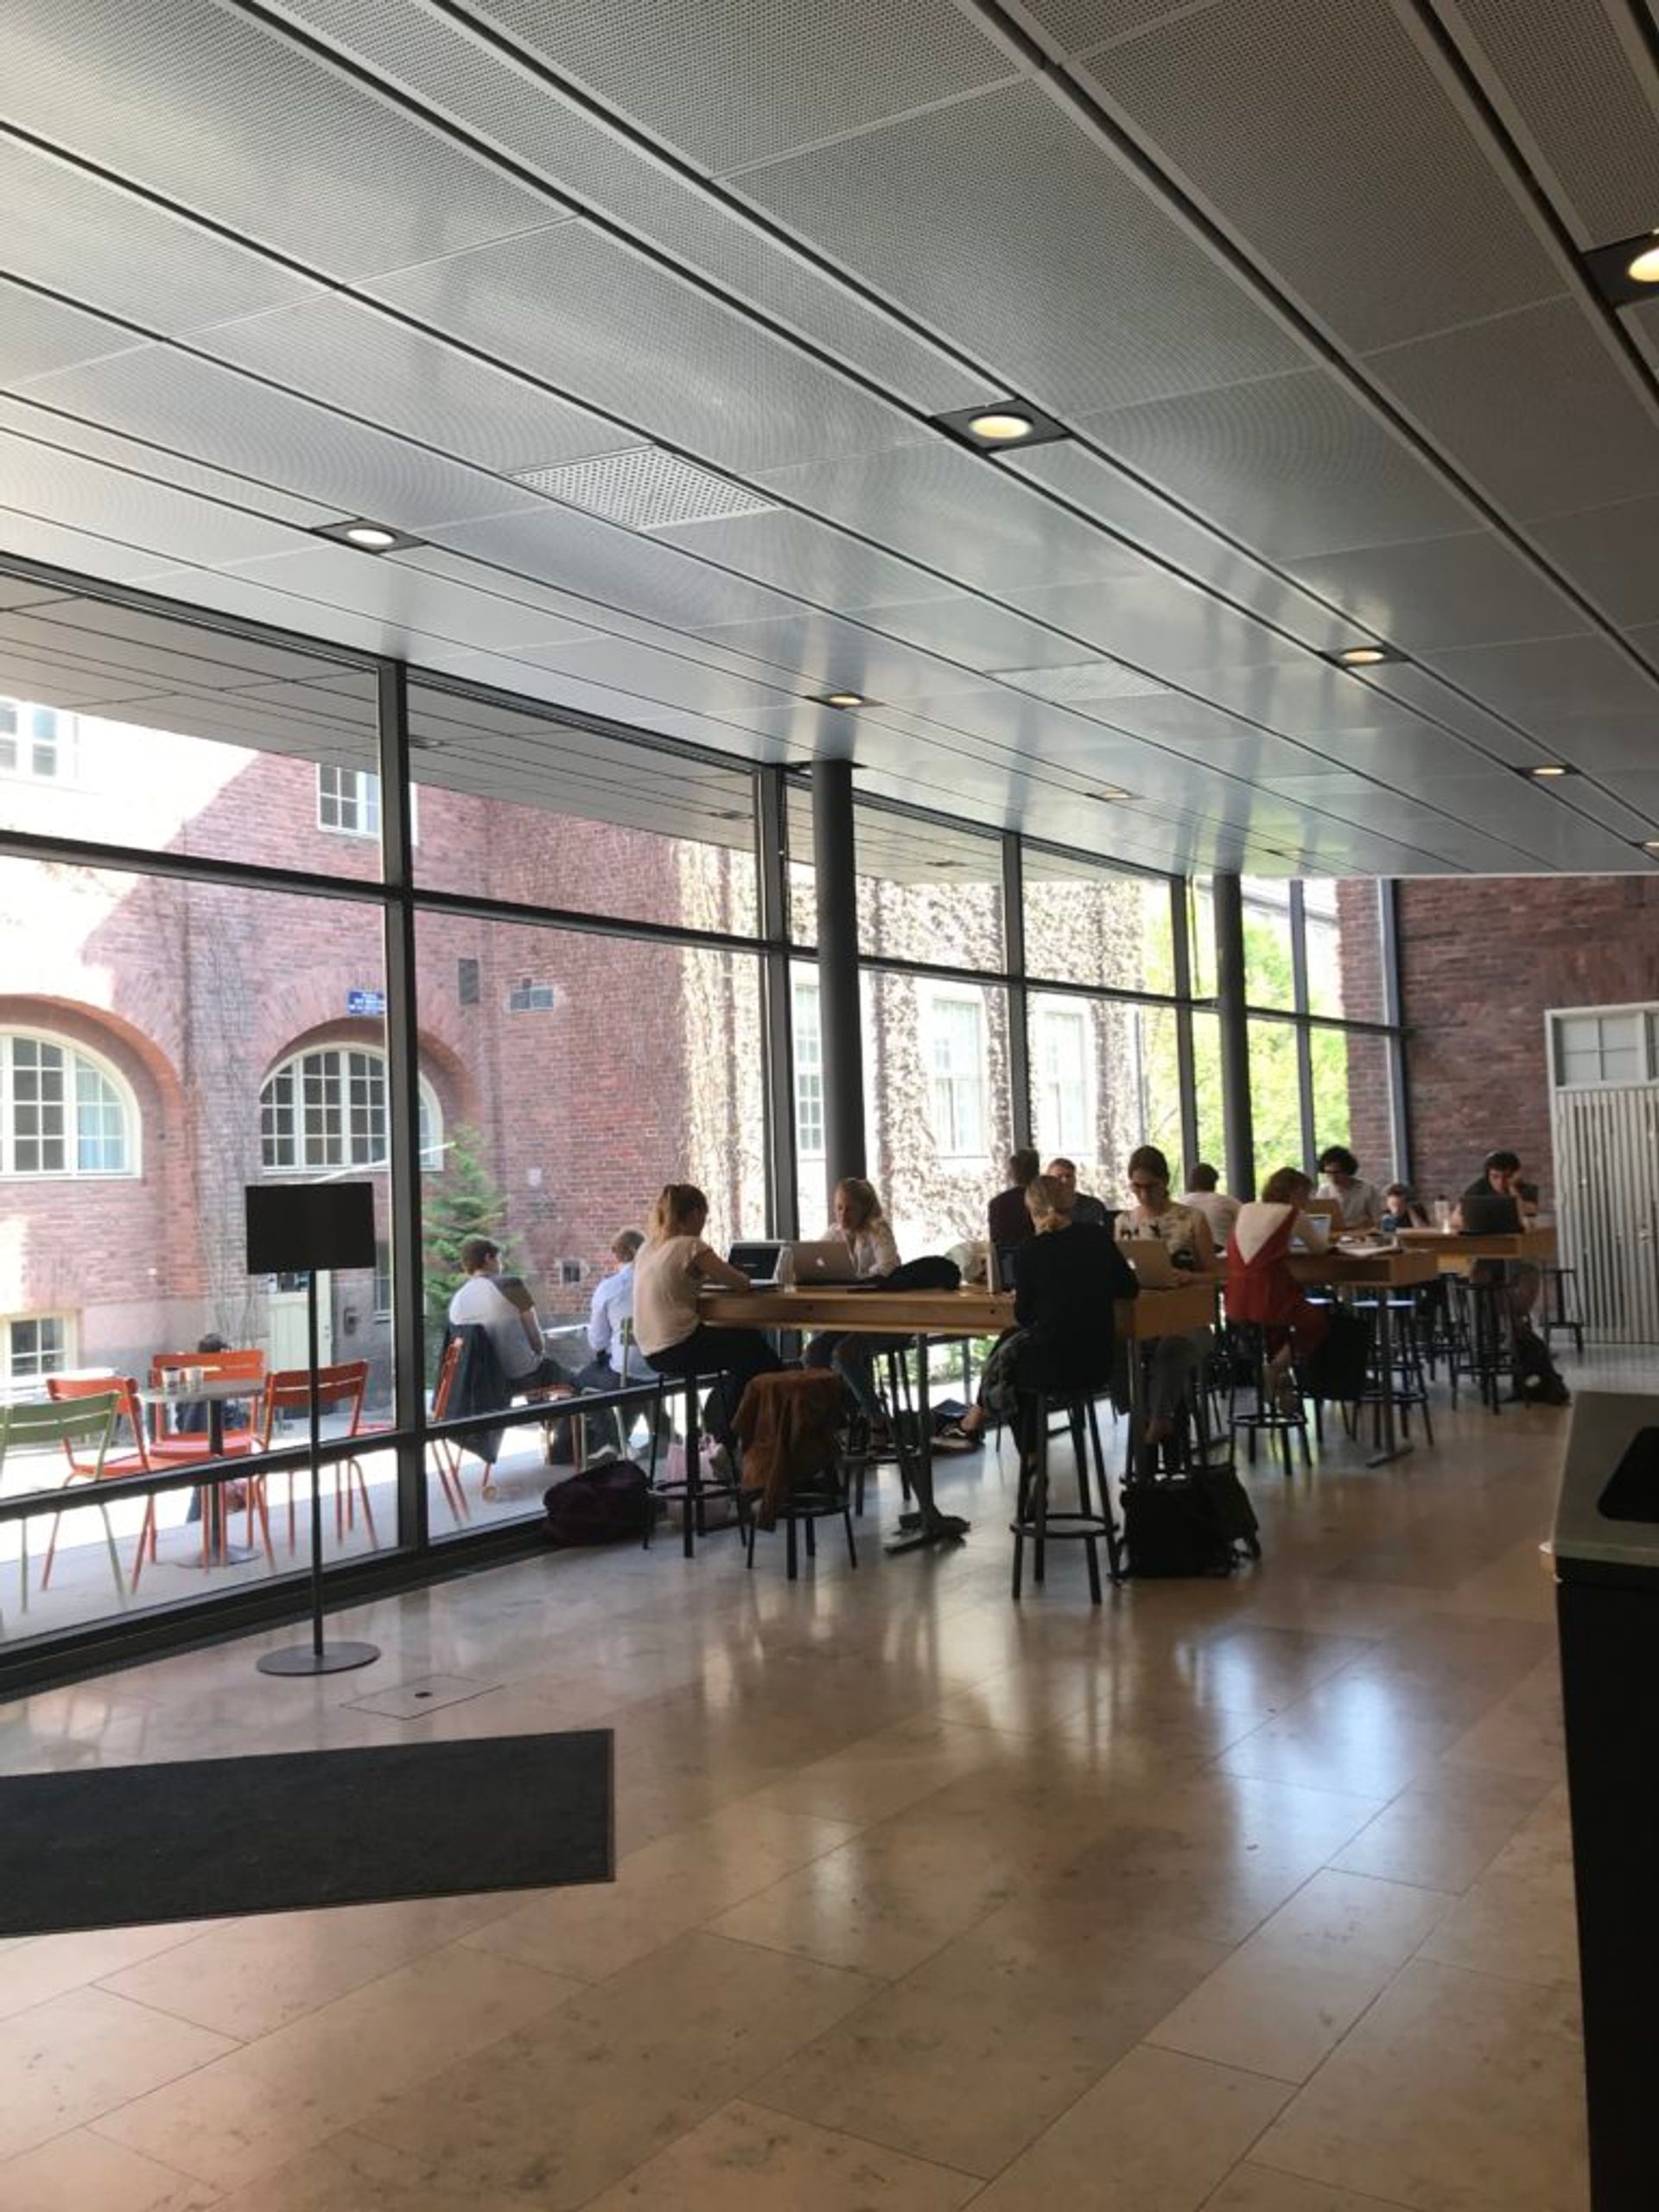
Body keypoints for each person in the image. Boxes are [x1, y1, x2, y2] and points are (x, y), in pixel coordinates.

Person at [632, 1182, 782, 1445]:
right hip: (680, 1346)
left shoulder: (648, 1248)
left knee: (744, 1354)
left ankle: (728, 1437)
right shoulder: (691, 1246)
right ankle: (735, 1439)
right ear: (694, 1214)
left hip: (651, 1353)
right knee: (754, 1348)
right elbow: (740, 1283)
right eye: (704, 1215)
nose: (704, 1222)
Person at [1003, 1174, 1139, 1464]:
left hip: (1053, 1366)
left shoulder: (1027, 1251)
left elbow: (1024, 1316)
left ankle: (1030, 1455)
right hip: (1098, 1363)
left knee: (1008, 1366)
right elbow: (1129, 1288)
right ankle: (985, 1428)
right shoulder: (1097, 1237)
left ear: (1031, 1211)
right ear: (1071, 1203)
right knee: (1010, 1349)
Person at [1116, 1145, 1216, 1465]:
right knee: (1126, 1351)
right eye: (1136, 1187)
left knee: (1171, 1347)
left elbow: (1215, 1275)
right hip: (1143, 1320)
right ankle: (1155, 1424)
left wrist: (1188, 1277)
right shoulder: (1123, 1222)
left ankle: (1156, 1421)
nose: (1143, 1194)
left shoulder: (1191, 1219)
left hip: (1189, 1320)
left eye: (1150, 1187)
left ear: (1165, 1182)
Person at [1452, 1152, 1567, 1404]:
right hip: (1487, 1266)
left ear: (1516, 1174)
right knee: (1502, 1323)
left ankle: (1535, 1377)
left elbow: (1529, 1212)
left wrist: (1512, 1190)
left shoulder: (1525, 1189)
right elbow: (1456, 1218)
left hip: (1521, 1266)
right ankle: (1532, 1377)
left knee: (1513, 1323)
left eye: (1506, 1176)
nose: (1499, 1182)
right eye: (1495, 1176)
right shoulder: (1478, 1188)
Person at [1226, 1167, 1332, 1411]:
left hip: (1237, 1297)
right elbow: (1319, 1249)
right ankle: (1276, 1368)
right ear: (1296, 1192)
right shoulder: (1293, 1214)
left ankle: (1283, 1383)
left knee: (1278, 1325)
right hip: (1268, 1294)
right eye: (1307, 1195)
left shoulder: (1247, 1209)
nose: (1309, 1202)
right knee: (1317, 1321)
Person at [804, 1176, 902, 1428]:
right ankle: (833, 1419)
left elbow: (889, 1267)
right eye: (838, 1207)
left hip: (884, 1318)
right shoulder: (833, 1233)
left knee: (844, 1352)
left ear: (865, 1208)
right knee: (813, 1352)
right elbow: (814, 1261)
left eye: (849, 1208)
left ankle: (875, 1417)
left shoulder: (878, 1228)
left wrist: (855, 1279)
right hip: (850, 1319)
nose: (842, 1214)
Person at [448, 1237, 577, 1395]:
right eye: (500, 1259)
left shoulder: (457, 1299)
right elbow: (535, 1337)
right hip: (518, 1377)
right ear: (489, 1258)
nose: (502, 1266)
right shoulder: (511, 1284)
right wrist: (539, 1354)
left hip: (481, 1385)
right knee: (574, 1382)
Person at [576, 1229, 655, 1391]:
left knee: (579, 1382)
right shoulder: (661, 1283)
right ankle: (655, 1414)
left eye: (614, 1251)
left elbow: (598, 1342)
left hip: (626, 1375)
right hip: (662, 1371)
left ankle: (609, 1417)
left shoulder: (609, 1288)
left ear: (623, 1254)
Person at [987, 1147, 1041, 1262]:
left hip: (1010, 1261)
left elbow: (997, 1242)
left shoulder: (998, 1203)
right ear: (1037, 1170)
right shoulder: (1047, 1197)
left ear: (1012, 1173)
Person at [1318, 1146, 1382, 1230]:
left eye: (1337, 1173)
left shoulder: (1367, 1190)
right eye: (1328, 1173)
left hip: (1361, 1238)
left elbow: (1377, 1220)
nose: (1333, 1177)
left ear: (1347, 1170)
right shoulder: (1324, 1192)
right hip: (1334, 1239)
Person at [1179, 1162, 1240, 1249]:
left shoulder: (1181, 1202)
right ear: (1214, 1181)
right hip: (1221, 1254)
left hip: (1189, 1255)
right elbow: (1247, 1222)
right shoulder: (1227, 1202)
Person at [1044, 1155, 1111, 1230]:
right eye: (1059, 1177)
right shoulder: (1041, 1208)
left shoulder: (1093, 1206)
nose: (1065, 1181)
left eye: (1069, 1176)